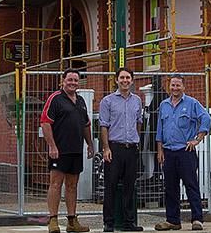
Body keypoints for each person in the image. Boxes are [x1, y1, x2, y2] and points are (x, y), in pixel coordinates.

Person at [154, 74, 211, 231]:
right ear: (169, 86)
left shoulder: (192, 104)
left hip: (185, 151)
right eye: (172, 85)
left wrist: (197, 139)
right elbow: (160, 129)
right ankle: (173, 220)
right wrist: (160, 150)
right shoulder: (164, 105)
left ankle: (197, 219)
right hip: (168, 152)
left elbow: (206, 118)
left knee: (191, 185)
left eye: (178, 85)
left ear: (183, 87)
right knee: (170, 187)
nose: (175, 88)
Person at [40, 69, 95, 233]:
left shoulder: (81, 101)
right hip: (59, 150)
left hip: (76, 150)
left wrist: (90, 144)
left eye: (76, 80)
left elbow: (86, 125)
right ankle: (53, 220)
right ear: (63, 81)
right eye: (69, 80)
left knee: (72, 185)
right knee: (55, 184)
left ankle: (72, 221)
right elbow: (45, 122)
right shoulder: (55, 98)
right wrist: (52, 146)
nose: (73, 83)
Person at [99, 67, 145, 232]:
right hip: (114, 148)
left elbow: (139, 122)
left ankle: (129, 222)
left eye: (128, 78)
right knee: (110, 186)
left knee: (129, 186)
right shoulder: (107, 101)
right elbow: (104, 126)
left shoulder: (137, 101)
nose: (125, 81)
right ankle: (109, 223)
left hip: (131, 149)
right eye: (122, 78)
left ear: (132, 80)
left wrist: (136, 140)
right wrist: (106, 148)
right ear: (116, 80)